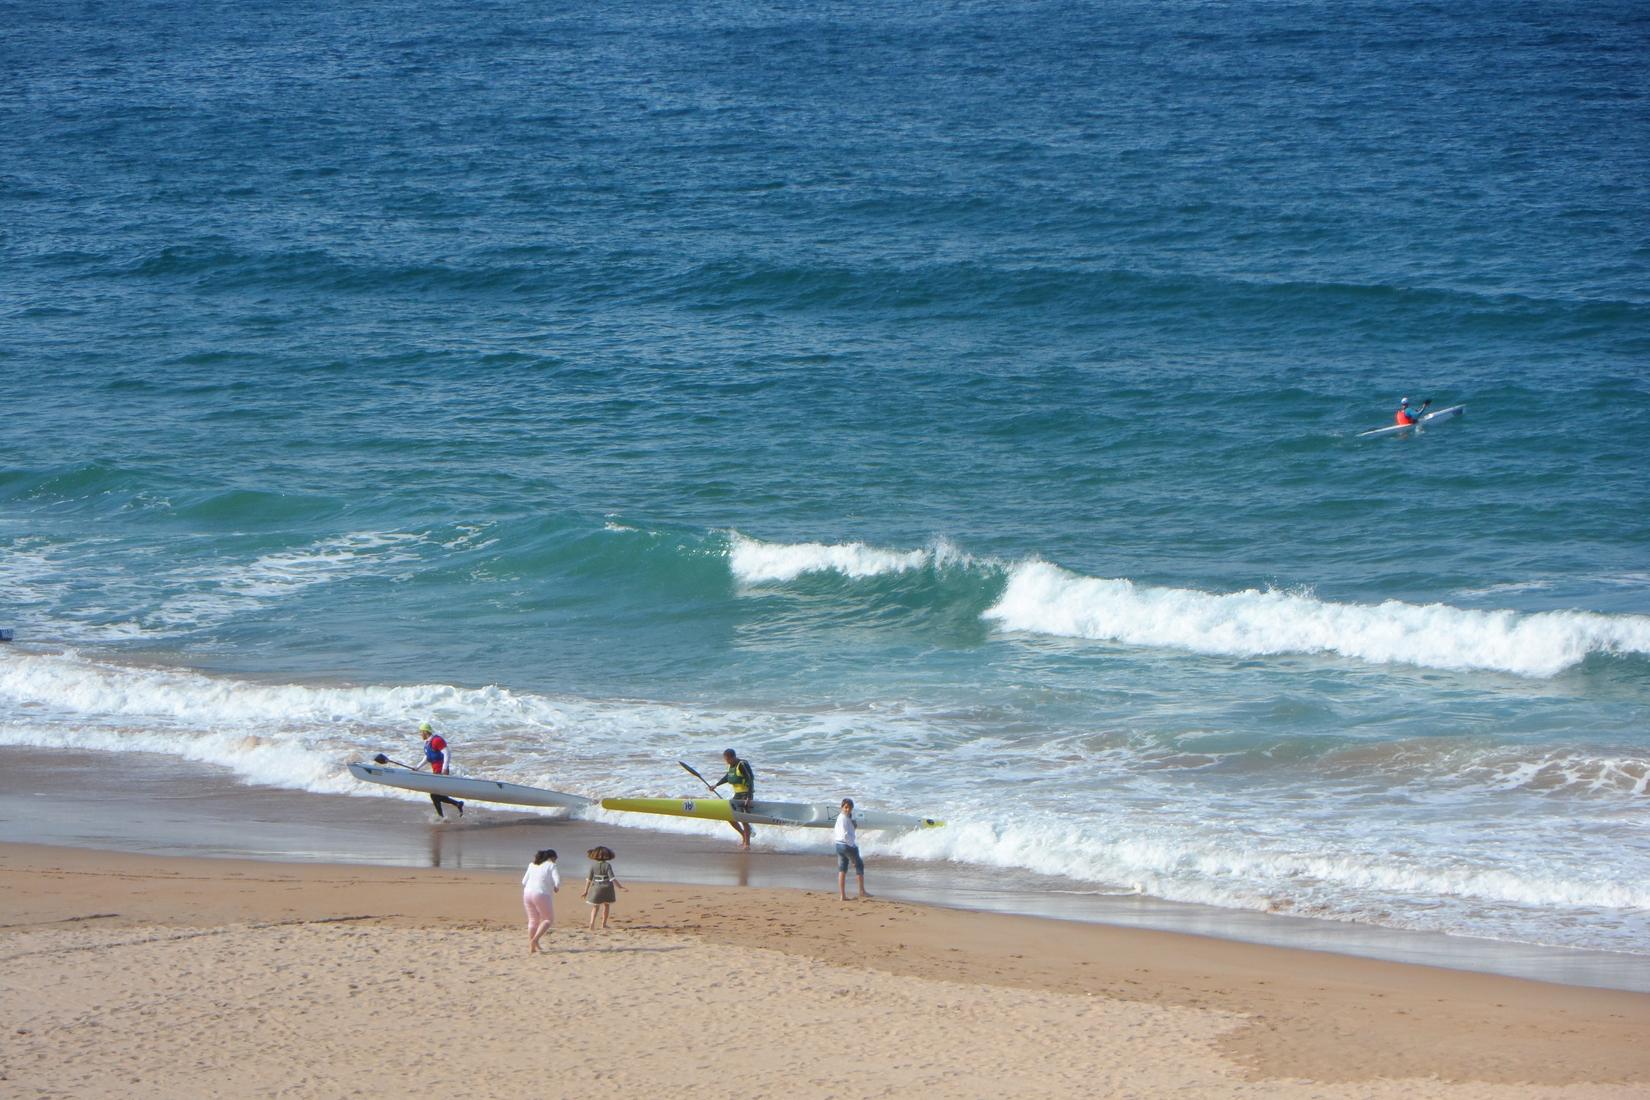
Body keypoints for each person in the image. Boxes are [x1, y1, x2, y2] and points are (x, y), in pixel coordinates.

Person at [411, 721, 464, 818]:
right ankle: (456, 805)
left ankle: (442, 816)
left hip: (441, 771)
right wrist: (417, 767)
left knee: (434, 795)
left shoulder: (437, 740)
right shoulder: (428, 743)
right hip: (436, 772)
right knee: (437, 795)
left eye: (421, 732)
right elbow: (427, 757)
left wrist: (444, 769)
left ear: (425, 732)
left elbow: (447, 753)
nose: (420, 734)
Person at [710, 748, 756, 848]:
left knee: (744, 819)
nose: (726, 761)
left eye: (727, 759)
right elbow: (728, 777)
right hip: (737, 794)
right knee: (729, 816)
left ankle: (747, 844)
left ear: (732, 757)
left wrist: (749, 797)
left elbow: (750, 779)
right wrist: (716, 785)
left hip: (746, 794)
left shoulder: (742, 764)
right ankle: (744, 834)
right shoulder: (731, 765)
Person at [521, 849, 560, 954]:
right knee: (548, 919)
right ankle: (535, 939)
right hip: (541, 894)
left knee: (533, 920)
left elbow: (523, 881)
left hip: (527, 893)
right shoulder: (551, 865)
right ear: (552, 858)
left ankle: (532, 945)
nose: (556, 861)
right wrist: (556, 887)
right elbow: (557, 879)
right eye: (555, 859)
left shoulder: (532, 865)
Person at [834, 798, 871, 901]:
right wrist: (852, 846)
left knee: (842, 869)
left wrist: (853, 826)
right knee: (859, 865)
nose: (847, 810)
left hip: (838, 845)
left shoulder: (843, 817)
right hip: (846, 845)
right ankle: (862, 891)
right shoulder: (844, 819)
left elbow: (843, 830)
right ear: (842, 807)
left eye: (849, 808)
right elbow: (845, 834)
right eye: (846, 807)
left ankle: (843, 895)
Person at [582, 846, 624, 930]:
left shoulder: (593, 866)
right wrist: (620, 887)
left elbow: (589, 879)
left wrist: (585, 891)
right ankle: (603, 924)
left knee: (595, 907)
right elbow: (612, 878)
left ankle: (592, 924)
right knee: (606, 905)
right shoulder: (607, 865)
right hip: (607, 887)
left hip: (596, 887)